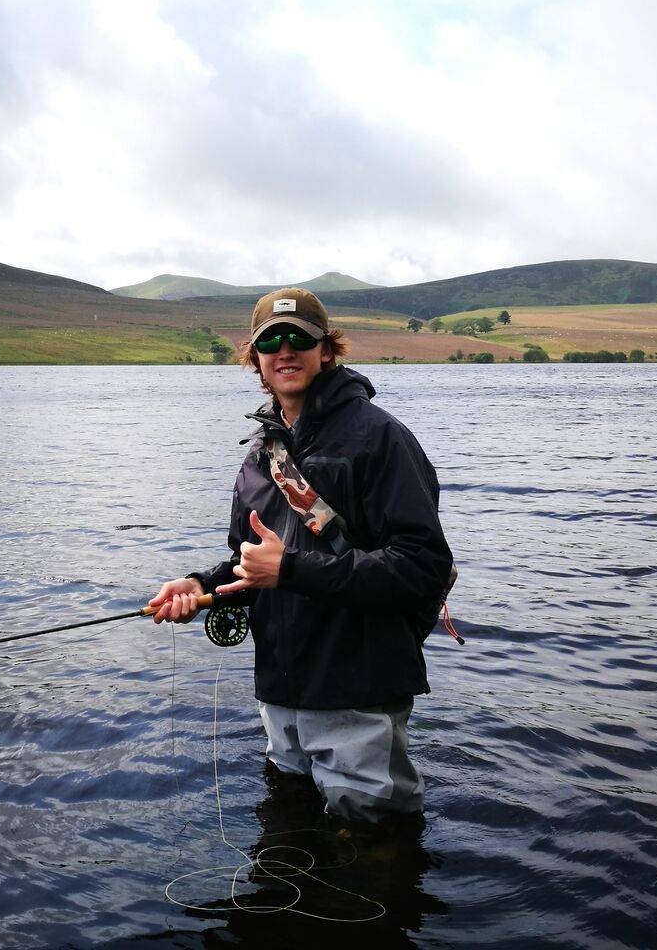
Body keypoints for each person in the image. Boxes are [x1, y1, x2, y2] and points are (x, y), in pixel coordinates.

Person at [149, 288, 453, 821]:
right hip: (280, 696)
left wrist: (289, 569)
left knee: (376, 861)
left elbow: (422, 566)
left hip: (357, 691)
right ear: (256, 359)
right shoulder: (258, 458)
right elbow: (251, 563)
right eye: (271, 342)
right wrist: (201, 587)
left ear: (326, 351)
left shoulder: (380, 438)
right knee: (290, 837)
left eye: (300, 339)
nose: (285, 351)